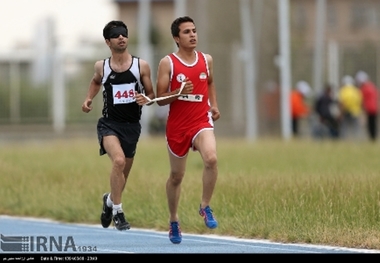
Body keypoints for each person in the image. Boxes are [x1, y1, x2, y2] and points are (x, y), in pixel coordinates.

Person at [81, 20, 155, 231]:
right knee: (119, 161)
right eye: (116, 35)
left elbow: (151, 94)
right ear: (108, 42)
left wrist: (146, 99)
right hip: (109, 125)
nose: (121, 37)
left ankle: (109, 201)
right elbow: (96, 81)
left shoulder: (141, 66)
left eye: (124, 34)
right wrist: (88, 99)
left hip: (132, 126)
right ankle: (118, 212)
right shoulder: (101, 66)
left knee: (122, 178)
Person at [155, 16, 220, 244]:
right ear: (176, 38)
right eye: (186, 32)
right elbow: (160, 99)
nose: (192, 35)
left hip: (201, 121)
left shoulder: (206, 60)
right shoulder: (168, 63)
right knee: (176, 176)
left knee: (211, 158)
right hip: (177, 126)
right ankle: (173, 220)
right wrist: (179, 91)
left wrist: (214, 105)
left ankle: (205, 206)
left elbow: (210, 82)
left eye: (194, 30)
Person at [355, 71, 378, 141]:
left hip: (369, 108)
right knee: (373, 124)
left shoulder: (364, 88)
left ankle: (372, 138)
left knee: (370, 124)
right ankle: (373, 138)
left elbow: (360, 98)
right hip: (375, 107)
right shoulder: (372, 86)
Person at [338, 75, 362, 140]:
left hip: (346, 111)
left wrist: (341, 113)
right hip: (355, 111)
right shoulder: (356, 90)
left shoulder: (343, 90)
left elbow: (342, 102)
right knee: (355, 127)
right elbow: (360, 101)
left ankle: (344, 139)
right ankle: (356, 139)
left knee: (344, 126)